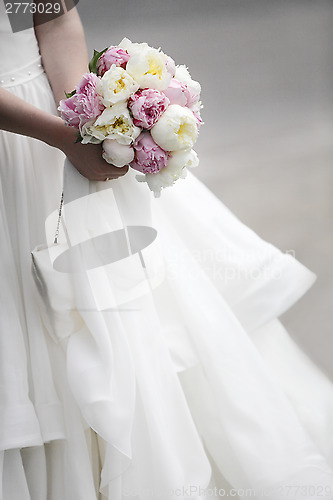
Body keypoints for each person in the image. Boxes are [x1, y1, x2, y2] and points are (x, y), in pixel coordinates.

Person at [1, 4, 333, 500]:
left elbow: (53, 14)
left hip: (51, 117)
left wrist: (92, 126)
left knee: (130, 324)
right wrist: (60, 135)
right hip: (25, 133)